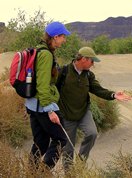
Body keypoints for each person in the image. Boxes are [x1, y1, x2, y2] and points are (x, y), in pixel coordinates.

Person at [57, 46, 131, 170]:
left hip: (83, 112)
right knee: (68, 148)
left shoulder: (89, 75)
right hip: (67, 114)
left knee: (92, 133)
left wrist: (113, 95)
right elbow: (52, 90)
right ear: (84, 59)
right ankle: (69, 173)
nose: (93, 64)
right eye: (92, 61)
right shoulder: (63, 72)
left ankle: (81, 165)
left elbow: (98, 89)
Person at [25, 21, 71, 170]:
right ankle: (43, 172)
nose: (64, 40)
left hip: (32, 105)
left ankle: (31, 172)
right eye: (63, 36)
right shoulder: (45, 55)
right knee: (60, 138)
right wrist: (50, 110)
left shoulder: (39, 50)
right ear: (56, 37)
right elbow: (43, 84)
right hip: (43, 105)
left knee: (41, 142)